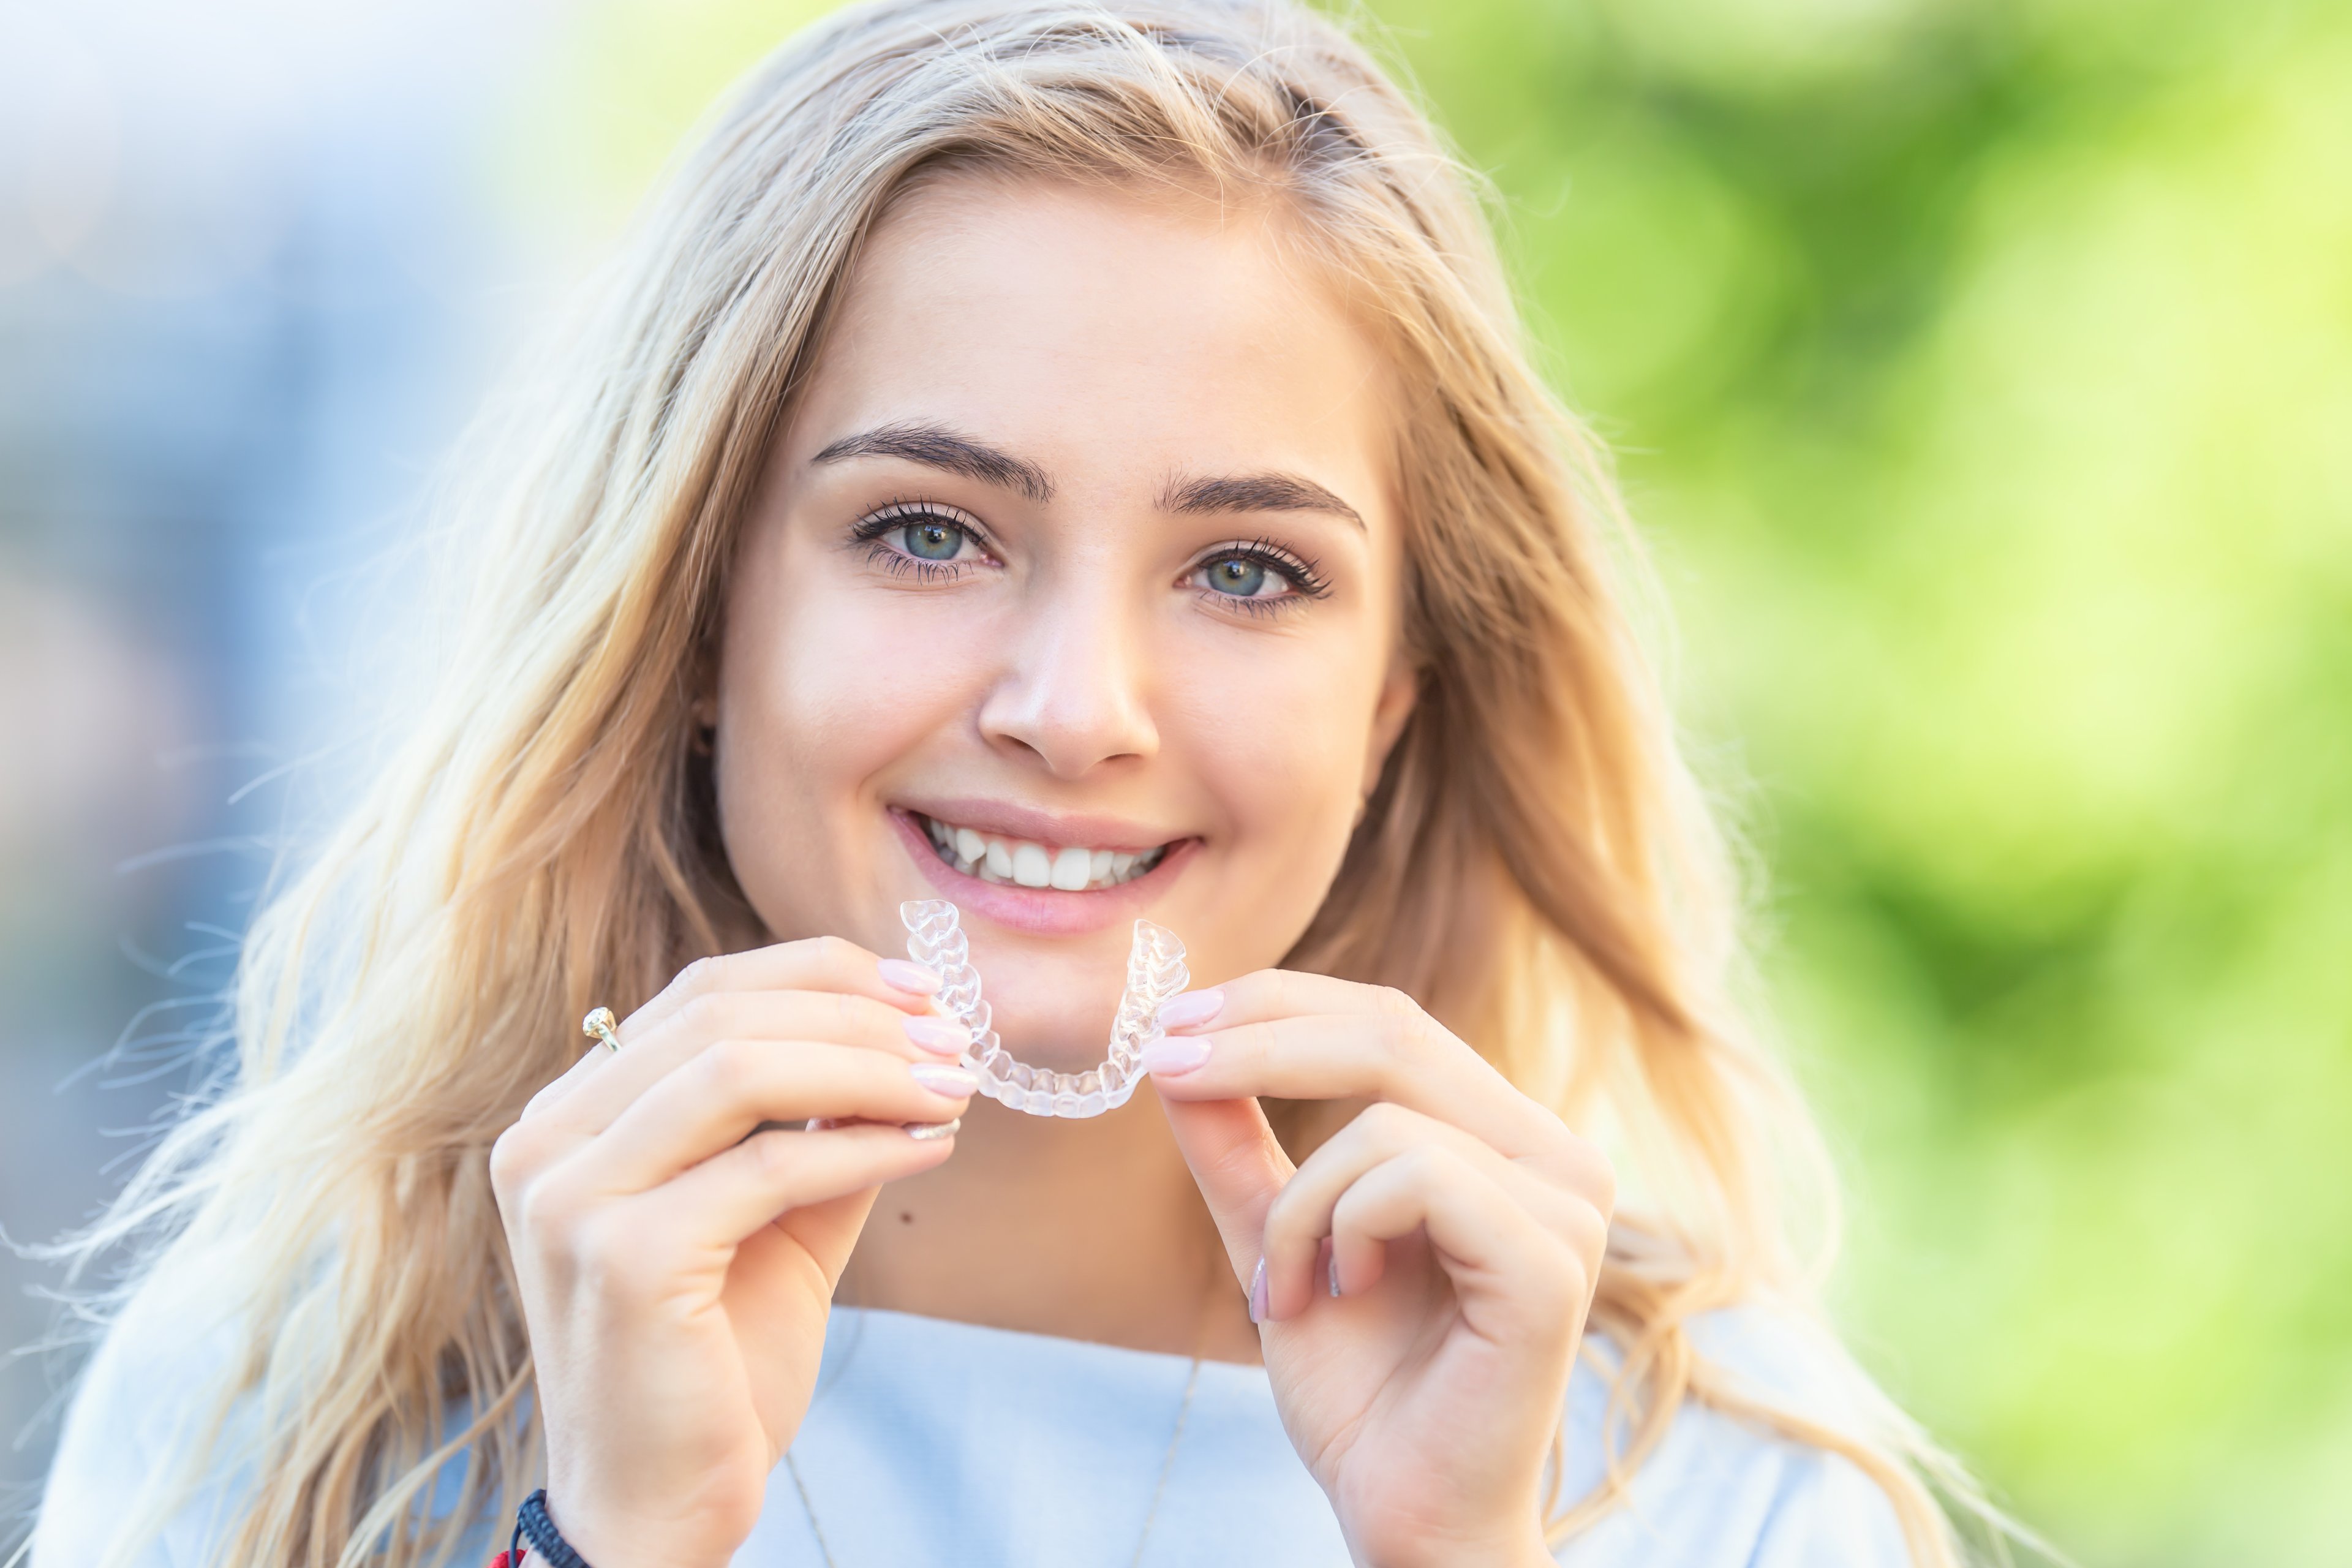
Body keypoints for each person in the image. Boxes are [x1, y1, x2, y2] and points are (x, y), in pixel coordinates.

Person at [30, 2, 1992, 1564]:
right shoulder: (294, 1409)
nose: (1077, 708)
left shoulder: (1715, 1489)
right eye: (927, 533)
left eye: (1247, 570)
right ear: (700, 613)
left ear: (1395, 700)